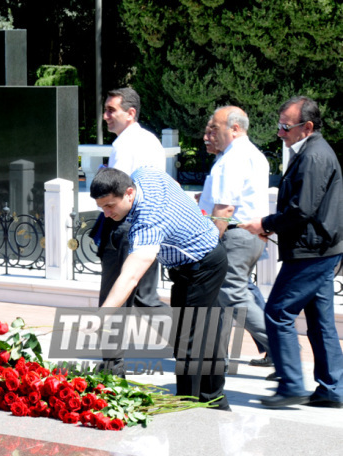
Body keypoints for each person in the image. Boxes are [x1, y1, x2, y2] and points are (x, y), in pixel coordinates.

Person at [91, 166, 230, 410]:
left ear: (129, 193)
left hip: (201, 266)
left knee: (187, 343)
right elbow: (174, 184)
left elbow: (131, 276)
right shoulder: (145, 174)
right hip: (202, 259)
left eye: (111, 205)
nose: (107, 213)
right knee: (205, 337)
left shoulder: (148, 222)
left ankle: (188, 410)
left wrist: (102, 316)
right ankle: (215, 401)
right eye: (102, 207)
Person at [240, 96, 343, 408]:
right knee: (321, 321)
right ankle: (332, 389)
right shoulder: (310, 152)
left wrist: (266, 223)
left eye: (286, 126)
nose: (280, 132)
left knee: (277, 312)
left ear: (307, 127)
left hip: (313, 251)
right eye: (279, 125)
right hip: (319, 248)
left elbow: (302, 210)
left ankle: (292, 385)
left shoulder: (314, 156)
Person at [199, 106, 272, 368]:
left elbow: (225, 208)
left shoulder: (232, 158)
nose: (210, 134)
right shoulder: (251, 154)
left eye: (215, 129)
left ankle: (281, 346)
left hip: (235, 235)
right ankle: (216, 357)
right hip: (247, 235)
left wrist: (208, 244)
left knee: (232, 294)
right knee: (226, 295)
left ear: (235, 128)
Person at [93, 87, 166, 308]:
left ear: (131, 113)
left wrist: (101, 176)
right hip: (148, 225)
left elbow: (113, 191)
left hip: (124, 226)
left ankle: (191, 336)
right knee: (144, 299)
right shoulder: (150, 140)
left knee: (115, 296)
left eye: (111, 110)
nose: (105, 116)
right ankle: (190, 337)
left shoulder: (125, 144)